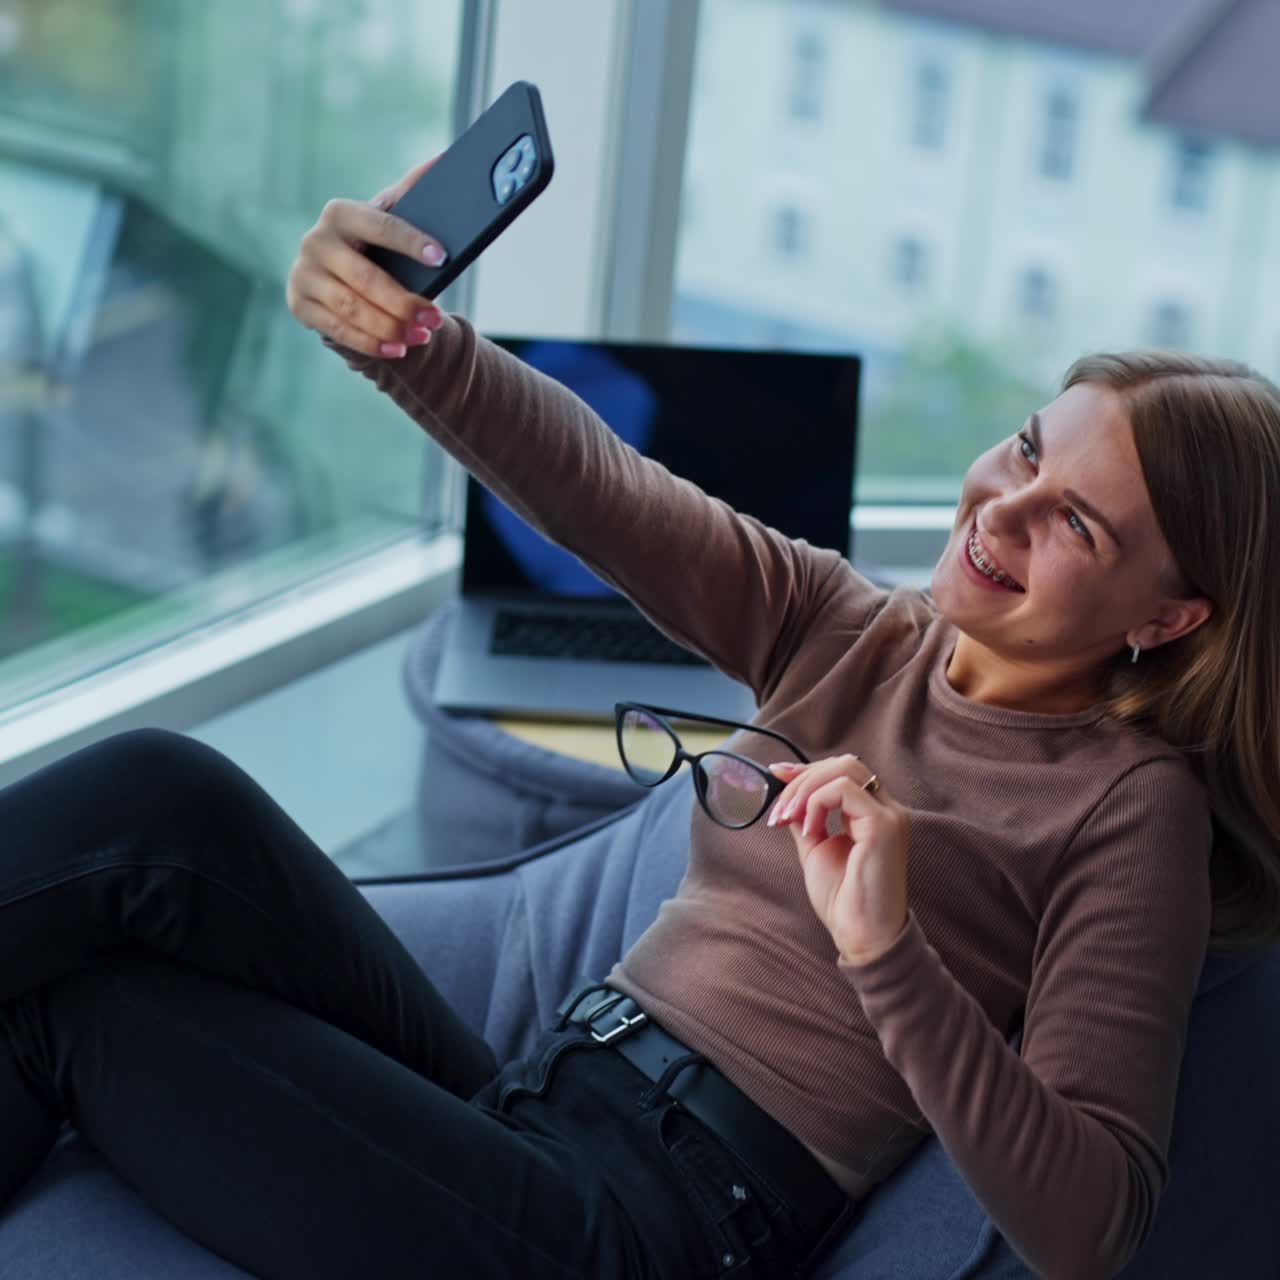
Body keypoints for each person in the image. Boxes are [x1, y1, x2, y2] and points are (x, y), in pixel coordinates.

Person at [1, 159, 1278, 1280]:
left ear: (1165, 620)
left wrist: (888, 948)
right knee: (161, 799)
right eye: (1023, 448)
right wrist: (404, 338)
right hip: (535, 1105)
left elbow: (1089, 1220)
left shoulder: (1131, 808)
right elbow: (603, 486)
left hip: (644, 1226)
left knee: (83, 1013)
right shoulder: (859, 630)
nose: (999, 508)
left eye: (1073, 522)